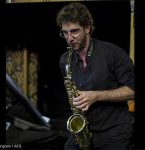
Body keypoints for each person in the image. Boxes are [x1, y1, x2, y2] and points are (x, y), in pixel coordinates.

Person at [56, 2, 134, 150]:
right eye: (65, 33)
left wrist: (96, 96)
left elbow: (133, 89)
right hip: (85, 128)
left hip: (114, 131)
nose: (69, 38)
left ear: (87, 28)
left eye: (74, 31)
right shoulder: (65, 60)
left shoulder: (112, 53)